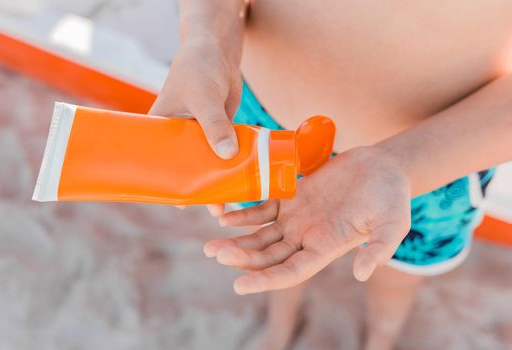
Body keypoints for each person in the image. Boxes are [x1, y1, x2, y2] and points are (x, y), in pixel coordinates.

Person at [149, 1, 512, 349]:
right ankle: (281, 324)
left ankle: (380, 337)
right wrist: (208, 35)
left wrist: (402, 164)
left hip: (434, 157)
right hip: (265, 120)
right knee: (275, 249)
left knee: (395, 276)